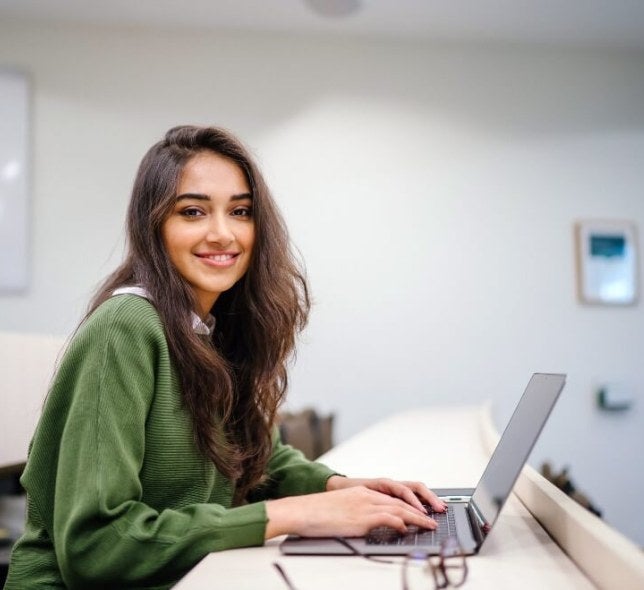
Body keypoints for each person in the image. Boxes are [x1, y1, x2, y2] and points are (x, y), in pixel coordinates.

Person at [5, 125, 445, 589]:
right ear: (153, 226)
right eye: (192, 212)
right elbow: (97, 546)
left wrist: (340, 488)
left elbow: (257, 458)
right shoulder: (127, 327)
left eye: (240, 211)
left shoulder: (210, 326)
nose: (222, 233)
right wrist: (295, 514)